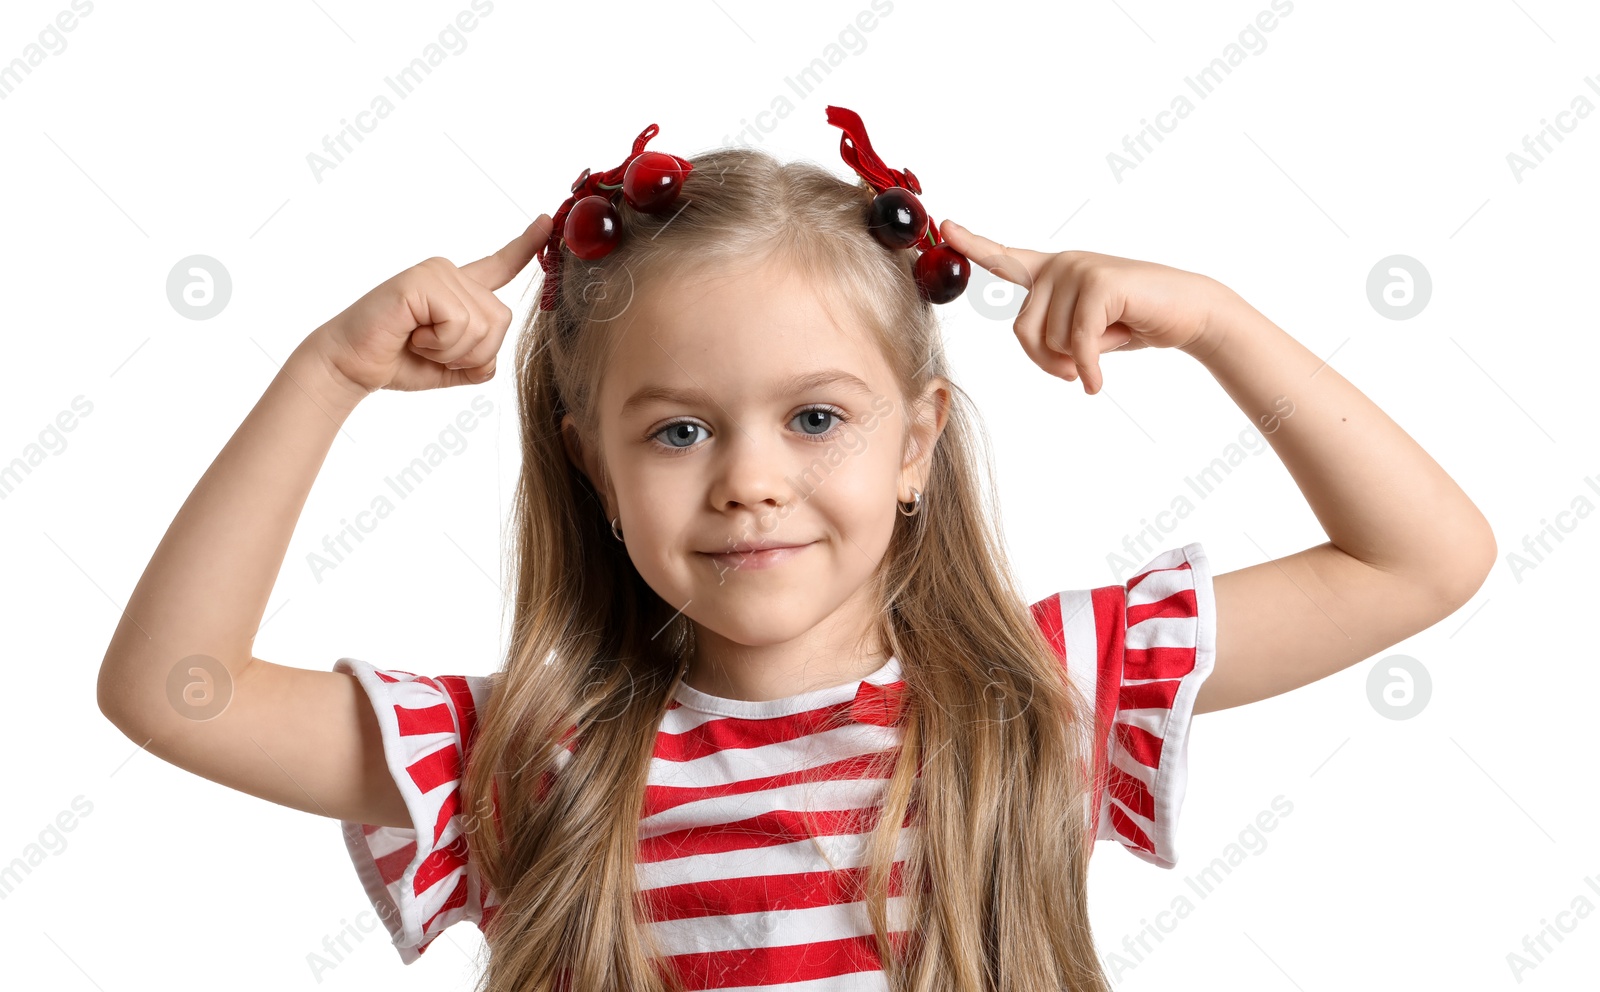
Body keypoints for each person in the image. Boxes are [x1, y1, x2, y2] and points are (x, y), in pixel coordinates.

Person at [96, 108, 1496, 991]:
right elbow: (174, 688)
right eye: (679, 433)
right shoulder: (529, 755)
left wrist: (1218, 322)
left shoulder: (1041, 688)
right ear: (592, 465)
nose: (751, 482)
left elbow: (1419, 560)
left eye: (816, 416)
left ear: (915, 442)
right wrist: (323, 374)